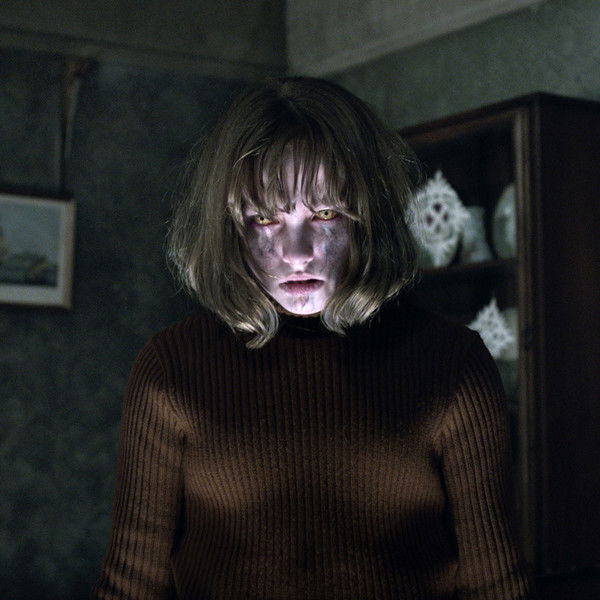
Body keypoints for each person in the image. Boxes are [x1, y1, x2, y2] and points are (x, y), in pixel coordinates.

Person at [91, 77, 533, 599]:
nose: (297, 253)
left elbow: (494, 583)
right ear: (230, 229)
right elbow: (131, 584)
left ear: (369, 218)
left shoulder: (452, 362)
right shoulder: (171, 367)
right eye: (264, 218)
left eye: (324, 214)